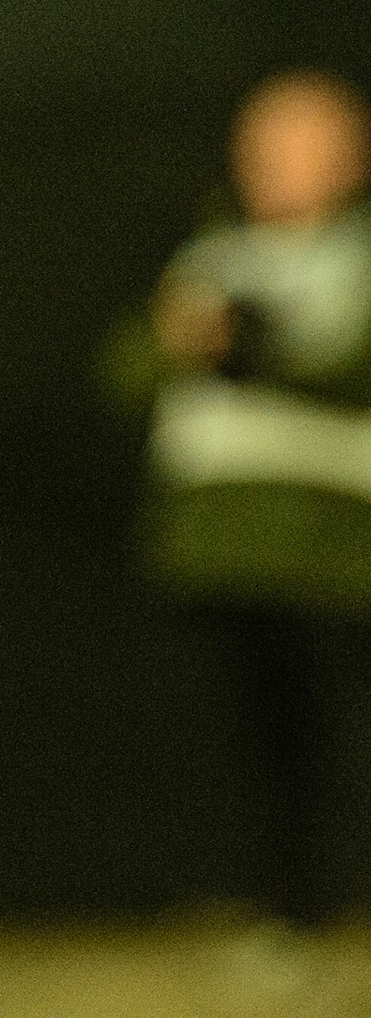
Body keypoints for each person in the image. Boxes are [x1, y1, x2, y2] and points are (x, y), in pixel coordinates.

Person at [143, 70, 371, 924]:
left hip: (332, 543)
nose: (276, 163)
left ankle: (323, 907)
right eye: (264, 144)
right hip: (218, 538)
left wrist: (253, 348)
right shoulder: (213, 257)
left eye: (303, 144)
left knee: (328, 738)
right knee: (243, 740)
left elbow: (344, 369)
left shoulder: (359, 259)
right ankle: (267, 907)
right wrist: (182, 339)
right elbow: (130, 366)